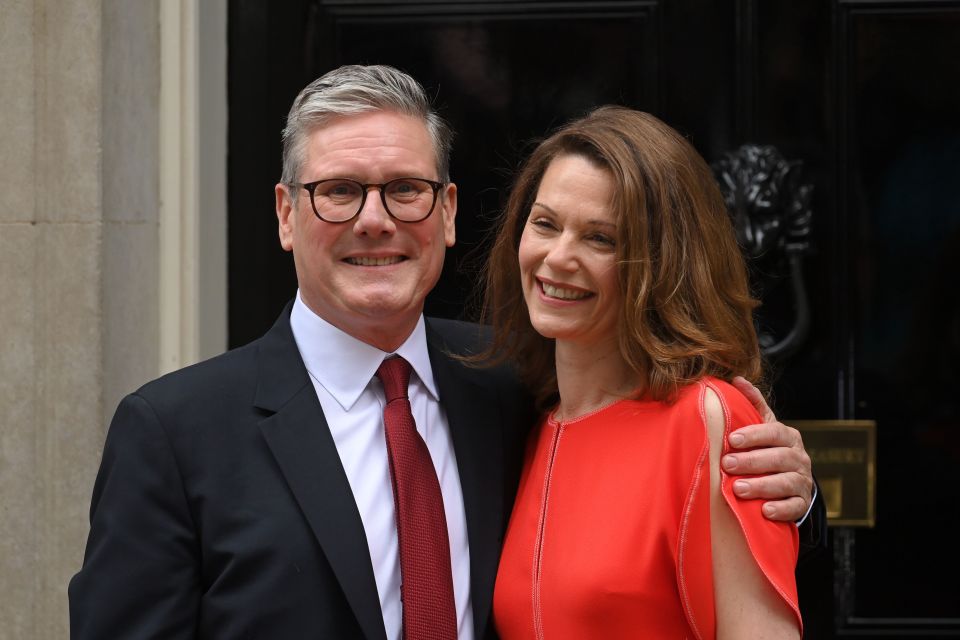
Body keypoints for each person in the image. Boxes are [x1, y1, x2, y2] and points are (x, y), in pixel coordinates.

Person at [69, 66, 818, 639]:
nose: (375, 220)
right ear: (286, 214)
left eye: (405, 190)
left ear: (449, 212)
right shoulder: (172, 433)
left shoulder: (514, 384)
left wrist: (793, 495)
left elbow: (661, 499)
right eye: (338, 191)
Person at [482, 106, 804, 638]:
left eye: (601, 238)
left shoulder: (706, 420)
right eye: (545, 224)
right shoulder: (526, 421)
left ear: (663, 262)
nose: (558, 257)